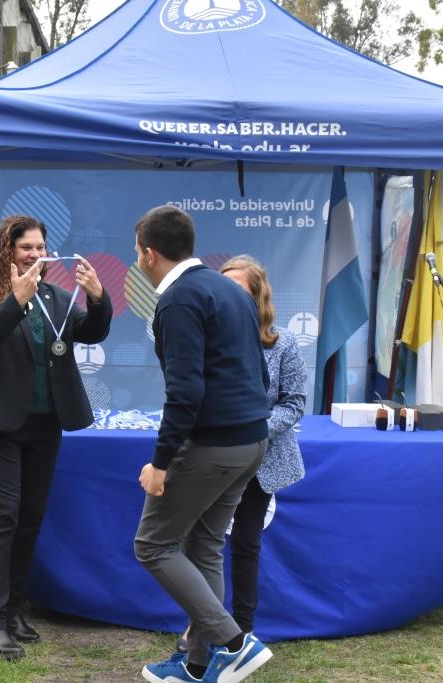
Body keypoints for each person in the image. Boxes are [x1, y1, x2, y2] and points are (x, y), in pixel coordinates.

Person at [0, 215, 112, 660]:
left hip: (45, 424)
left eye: (40, 246)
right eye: (26, 247)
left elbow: (92, 331)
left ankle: (13, 609)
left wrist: (98, 298)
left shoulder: (57, 297)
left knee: (29, 519)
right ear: (6, 251)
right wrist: (14, 299)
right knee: (0, 519)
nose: (35, 254)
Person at [132, 206, 274, 683]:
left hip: (214, 445)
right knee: (205, 547)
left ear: (149, 253)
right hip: (250, 441)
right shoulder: (225, 288)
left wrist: (161, 462)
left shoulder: (177, 299)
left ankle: (234, 644)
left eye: (138, 253)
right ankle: (198, 665)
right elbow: (260, 372)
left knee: (152, 545)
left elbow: (185, 391)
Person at [219, 256, 307, 634]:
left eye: (237, 289)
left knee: (244, 540)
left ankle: (242, 631)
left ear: (257, 296)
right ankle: (204, 626)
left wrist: (254, 429)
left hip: (262, 458)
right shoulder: (208, 337)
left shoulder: (283, 341)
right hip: (214, 455)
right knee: (199, 544)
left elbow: (294, 402)